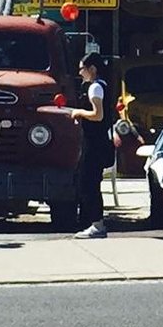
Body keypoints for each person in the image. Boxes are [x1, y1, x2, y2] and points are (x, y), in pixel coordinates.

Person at [71, 52, 111, 239]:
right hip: (98, 141)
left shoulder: (95, 88)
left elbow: (98, 115)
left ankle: (97, 224)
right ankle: (93, 222)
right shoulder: (102, 86)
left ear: (92, 69)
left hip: (94, 143)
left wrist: (79, 112)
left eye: (82, 69)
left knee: (88, 183)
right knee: (88, 182)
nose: (80, 73)